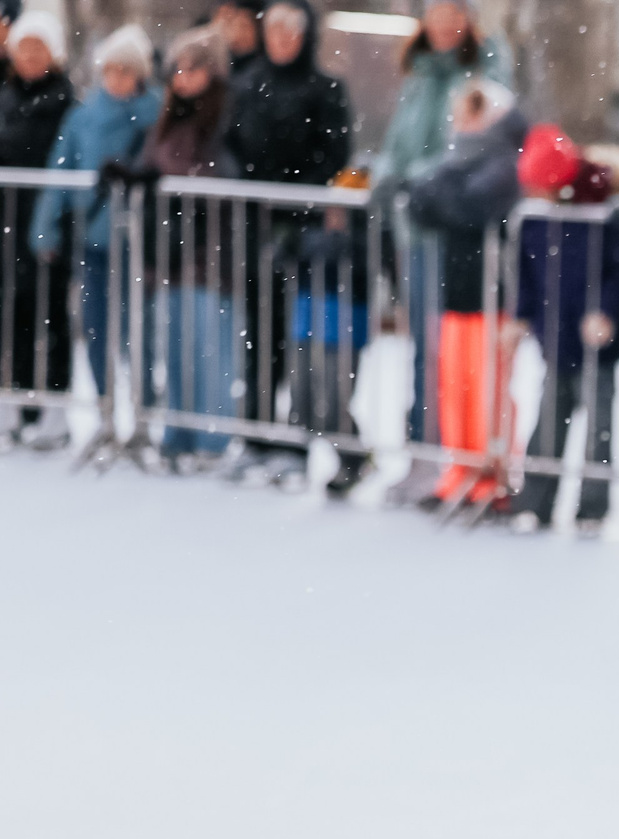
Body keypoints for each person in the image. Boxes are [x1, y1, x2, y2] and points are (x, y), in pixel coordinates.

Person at [374, 0, 511, 508]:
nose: (445, 21)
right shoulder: (420, 76)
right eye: (437, 10)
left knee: (448, 353)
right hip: (417, 230)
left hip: (455, 232)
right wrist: (388, 174)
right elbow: (399, 143)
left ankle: (452, 458)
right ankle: (423, 454)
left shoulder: (482, 76)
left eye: (455, 10)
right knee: (421, 350)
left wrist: (420, 181)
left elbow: (470, 148)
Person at [220, 0, 353, 483]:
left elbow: (335, 153)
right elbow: (228, 146)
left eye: (291, 30)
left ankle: (297, 442)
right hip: (254, 225)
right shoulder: (244, 86)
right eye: (274, 29)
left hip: (303, 230)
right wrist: (253, 193)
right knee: (255, 334)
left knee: (299, 339)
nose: (282, 39)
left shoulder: (325, 89)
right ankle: (255, 433)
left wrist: (297, 197)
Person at [111, 28, 238, 468]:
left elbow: (222, 170)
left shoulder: (223, 115)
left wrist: (177, 186)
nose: (182, 78)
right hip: (168, 252)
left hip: (209, 252)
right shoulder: (169, 118)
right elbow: (154, 160)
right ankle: (178, 432)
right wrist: (132, 175)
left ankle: (212, 439)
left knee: (209, 349)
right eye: (178, 69)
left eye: (192, 68)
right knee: (176, 347)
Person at [403, 76, 526, 514]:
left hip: (491, 295)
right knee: (454, 388)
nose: (458, 123)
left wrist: (440, 191)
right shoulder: (459, 161)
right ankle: (461, 468)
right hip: (457, 291)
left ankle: (492, 475)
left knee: (487, 390)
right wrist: (441, 192)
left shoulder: (503, 161)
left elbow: (470, 207)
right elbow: (422, 201)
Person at [32, 23, 157, 448]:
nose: (117, 79)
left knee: (136, 333)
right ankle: (105, 410)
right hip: (95, 240)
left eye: (126, 71)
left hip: (138, 243)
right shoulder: (83, 116)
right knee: (97, 328)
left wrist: (140, 109)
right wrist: (46, 225)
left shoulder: (153, 113)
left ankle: (140, 414)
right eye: (111, 70)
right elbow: (60, 169)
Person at [508, 125, 619, 536]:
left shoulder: (603, 213)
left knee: (599, 428)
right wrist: (520, 316)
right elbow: (525, 274)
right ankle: (534, 502)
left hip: (596, 344)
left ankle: (592, 508)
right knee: (547, 425)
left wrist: (606, 313)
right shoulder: (534, 217)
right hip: (555, 338)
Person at [0, 7, 75, 446]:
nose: (29, 56)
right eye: (22, 47)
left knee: (51, 316)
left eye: (38, 47)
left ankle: (56, 405)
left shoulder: (64, 101)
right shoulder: (5, 98)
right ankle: (17, 399)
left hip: (47, 225)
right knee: (13, 316)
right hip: (6, 225)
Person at [209, 0, 263, 79]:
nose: (238, 33)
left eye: (244, 26)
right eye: (233, 26)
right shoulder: (221, 66)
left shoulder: (263, 69)